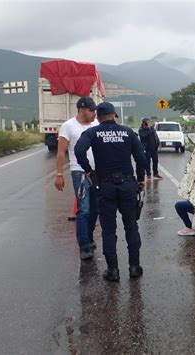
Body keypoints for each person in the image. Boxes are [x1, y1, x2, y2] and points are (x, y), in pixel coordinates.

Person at [75, 102, 146, 281]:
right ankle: (135, 267)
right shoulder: (128, 132)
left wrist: (89, 171)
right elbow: (141, 157)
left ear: (98, 117)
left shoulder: (92, 132)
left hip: (105, 186)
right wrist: (140, 179)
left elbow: (78, 150)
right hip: (128, 184)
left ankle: (113, 271)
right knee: (131, 226)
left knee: (108, 230)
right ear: (114, 115)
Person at [54, 97, 99, 260]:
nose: (94, 113)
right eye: (91, 110)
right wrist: (59, 174)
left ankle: (89, 236)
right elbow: (61, 152)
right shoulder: (68, 126)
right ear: (81, 110)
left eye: (95, 110)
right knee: (84, 209)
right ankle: (84, 245)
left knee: (95, 209)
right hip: (79, 173)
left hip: (96, 173)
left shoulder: (97, 125)